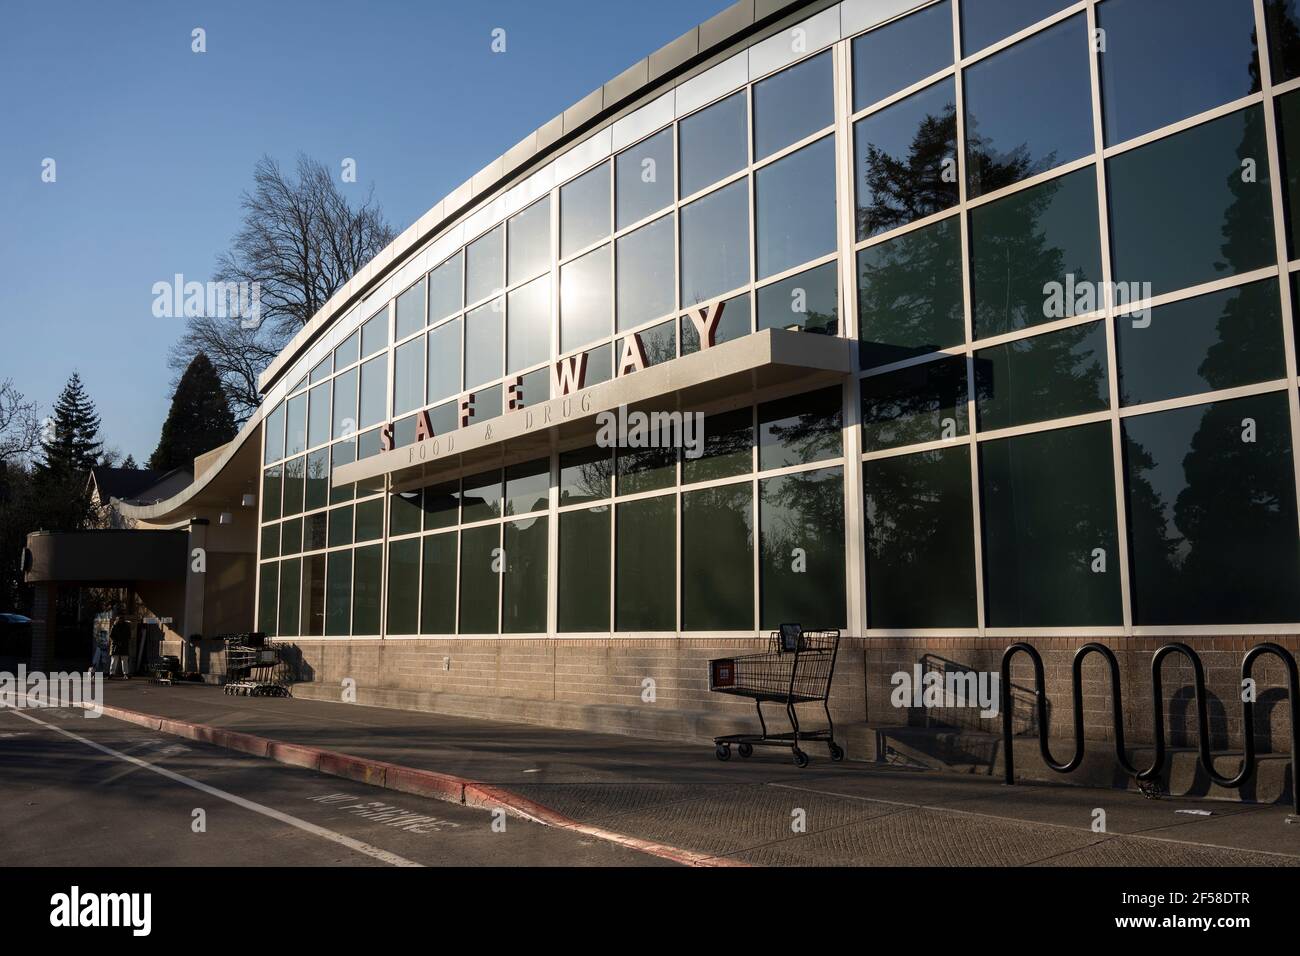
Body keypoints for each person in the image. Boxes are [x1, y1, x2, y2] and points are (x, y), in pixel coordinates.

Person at [108, 611, 131, 680]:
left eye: (121, 619)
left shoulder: (124, 626)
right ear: (118, 620)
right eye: (119, 619)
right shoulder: (115, 626)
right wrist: (118, 642)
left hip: (121, 645)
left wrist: (121, 641)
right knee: (115, 660)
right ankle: (112, 674)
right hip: (117, 645)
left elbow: (128, 636)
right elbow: (111, 636)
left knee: (123, 660)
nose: (121, 621)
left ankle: (125, 674)